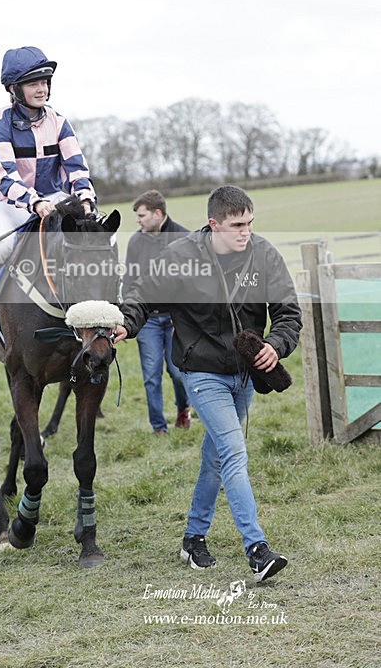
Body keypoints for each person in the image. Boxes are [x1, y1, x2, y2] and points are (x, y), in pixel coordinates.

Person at [115, 185, 302, 582]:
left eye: (250, 223)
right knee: (234, 453)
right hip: (200, 372)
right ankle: (257, 549)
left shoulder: (264, 254)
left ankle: (193, 538)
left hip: (245, 373)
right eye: (236, 225)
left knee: (216, 458)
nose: (245, 232)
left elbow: (288, 311)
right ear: (213, 224)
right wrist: (125, 324)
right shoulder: (180, 257)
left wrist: (276, 344)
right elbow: (141, 296)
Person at [0, 46, 96, 334]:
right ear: (14, 89)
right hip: (12, 205)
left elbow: (76, 165)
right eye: (33, 83)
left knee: (93, 237)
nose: (42, 89)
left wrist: (85, 198)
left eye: (44, 82)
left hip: (55, 200)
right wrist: (33, 201)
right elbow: (4, 175)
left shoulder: (60, 121)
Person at [123, 189, 190, 434]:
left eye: (141, 215)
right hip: (147, 320)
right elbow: (129, 281)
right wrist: (129, 316)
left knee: (178, 373)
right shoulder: (135, 241)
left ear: (157, 213)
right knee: (151, 375)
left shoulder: (184, 238)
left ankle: (183, 408)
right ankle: (158, 427)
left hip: (177, 320)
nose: (138, 221)